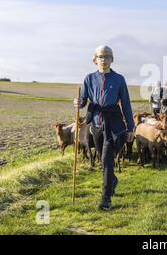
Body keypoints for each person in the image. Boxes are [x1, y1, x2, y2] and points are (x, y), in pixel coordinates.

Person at [73, 45, 135, 211]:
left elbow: (126, 105)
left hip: (113, 122)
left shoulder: (119, 79)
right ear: (95, 60)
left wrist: (131, 128)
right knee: (103, 160)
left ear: (112, 59)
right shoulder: (89, 78)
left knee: (107, 160)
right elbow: (83, 100)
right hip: (96, 123)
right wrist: (78, 102)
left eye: (107, 56)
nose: (104, 59)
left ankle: (105, 198)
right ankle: (112, 180)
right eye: (101, 56)